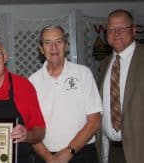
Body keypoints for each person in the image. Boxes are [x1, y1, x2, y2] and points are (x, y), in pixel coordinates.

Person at [29, 25, 102, 163]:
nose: (54, 47)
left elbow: (95, 121)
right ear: (41, 49)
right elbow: (30, 128)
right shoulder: (32, 81)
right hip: (45, 156)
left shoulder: (83, 74)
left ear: (66, 46)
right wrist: (49, 158)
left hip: (82, 153)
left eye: (59, 41)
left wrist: (69, 151)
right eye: (48, 43)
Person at [99, 9, 144, 163]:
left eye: (122, 28)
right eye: (111, 29)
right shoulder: (105, 65)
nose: (116, 33)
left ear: (134, 30)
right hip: (111, 152)